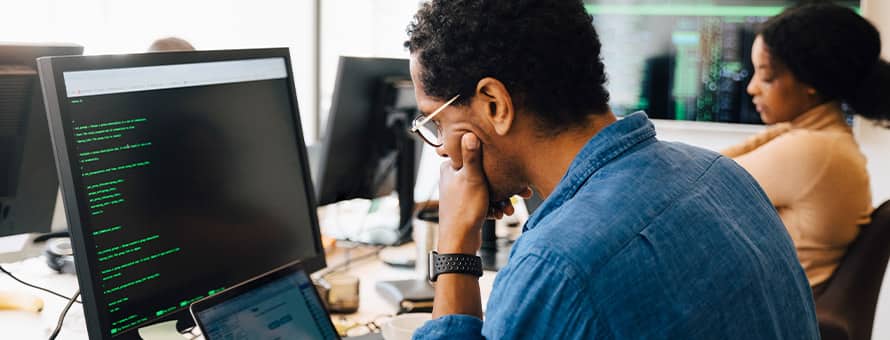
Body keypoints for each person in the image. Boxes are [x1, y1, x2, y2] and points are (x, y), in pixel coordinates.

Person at [406, 1, 818, 339]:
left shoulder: (556, 269)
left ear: (494, 104)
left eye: (437, 122)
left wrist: (456, 244)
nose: (442, 148)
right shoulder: (723, 176)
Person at [722, 3, 890, 295]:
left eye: (767, 76)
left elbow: (691, 188)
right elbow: (710, 167)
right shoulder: (820, 136)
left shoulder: (814, 150)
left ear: (809, 82)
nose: (752, 88)